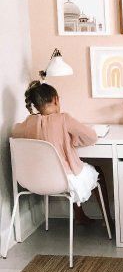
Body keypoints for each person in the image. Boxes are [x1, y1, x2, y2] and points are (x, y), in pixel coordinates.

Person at [12, 80, 112, 226]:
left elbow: (14, 131)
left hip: (35, 180)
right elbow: (91, 136)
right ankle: (107, 220)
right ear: (56, 99)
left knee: (63, 170)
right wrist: (72, 140)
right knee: (98, 172)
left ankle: (80, 216)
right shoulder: (64, 119)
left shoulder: (30, 122)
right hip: (64, 180)